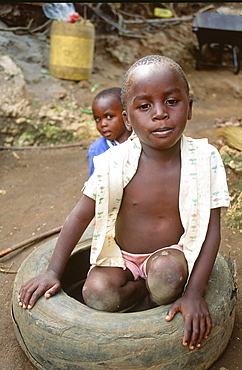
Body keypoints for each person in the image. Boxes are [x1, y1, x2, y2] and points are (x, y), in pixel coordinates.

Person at [19, 55, 230, 351]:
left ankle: (153, 298)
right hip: (122, 258)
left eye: (172, 101)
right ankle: (143, 296)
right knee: (96, 293)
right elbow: (79, 217)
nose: (160, 114)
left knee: (167, 275)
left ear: (189, 107)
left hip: (172, 255)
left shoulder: (205, 160)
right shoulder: (111, 163)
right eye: (144, 106)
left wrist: (194, 292)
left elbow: (211, 231)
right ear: (128, 119)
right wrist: (54, 271)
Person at [88, 87, 131, 176]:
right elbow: (96, 182)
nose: (102, 124)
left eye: (109, 117)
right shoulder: (97, 149)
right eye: (97, 119)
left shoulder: (143, 142)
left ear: (126, 115)